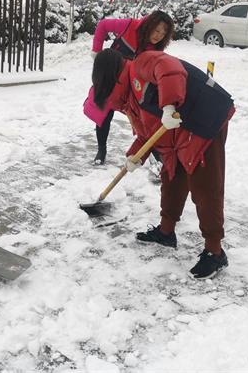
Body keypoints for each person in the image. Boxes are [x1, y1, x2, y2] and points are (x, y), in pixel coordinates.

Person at [92, 48, 235, 279]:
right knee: (171, 176)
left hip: (206, 118)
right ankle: (166, 231)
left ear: (111, 79)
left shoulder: (141, 64)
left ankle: (215, 251)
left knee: (205, 187)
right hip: (180, 129)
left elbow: (170, 69)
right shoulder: (129, 99)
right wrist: (134, 156)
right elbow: (147, 133)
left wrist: (169, 105)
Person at [85, 11, 174, 164]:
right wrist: (97, 52)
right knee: (103, 114)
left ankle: (157, 157)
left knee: (144, 121)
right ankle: (101, 149)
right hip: (110, 78)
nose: (159, 35)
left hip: (132, 89)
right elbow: (103, 25)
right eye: (157, 30)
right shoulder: (130, 25)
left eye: (164, 33)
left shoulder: (155, 49)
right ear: (150, 25)